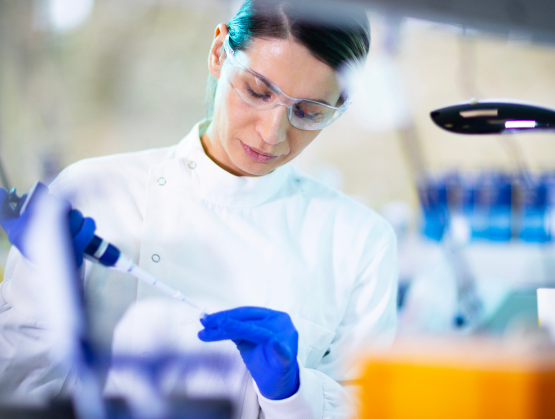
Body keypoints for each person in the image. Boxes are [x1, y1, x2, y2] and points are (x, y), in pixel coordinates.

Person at [0, 0, 397, 417]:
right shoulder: (95, 193)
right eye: (257, 91)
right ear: (218, 53)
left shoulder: (359, 243)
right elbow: (15, 394)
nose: (272, 133)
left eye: (309, 112)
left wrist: (294, 391)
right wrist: (41, 290)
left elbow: (367, 408)